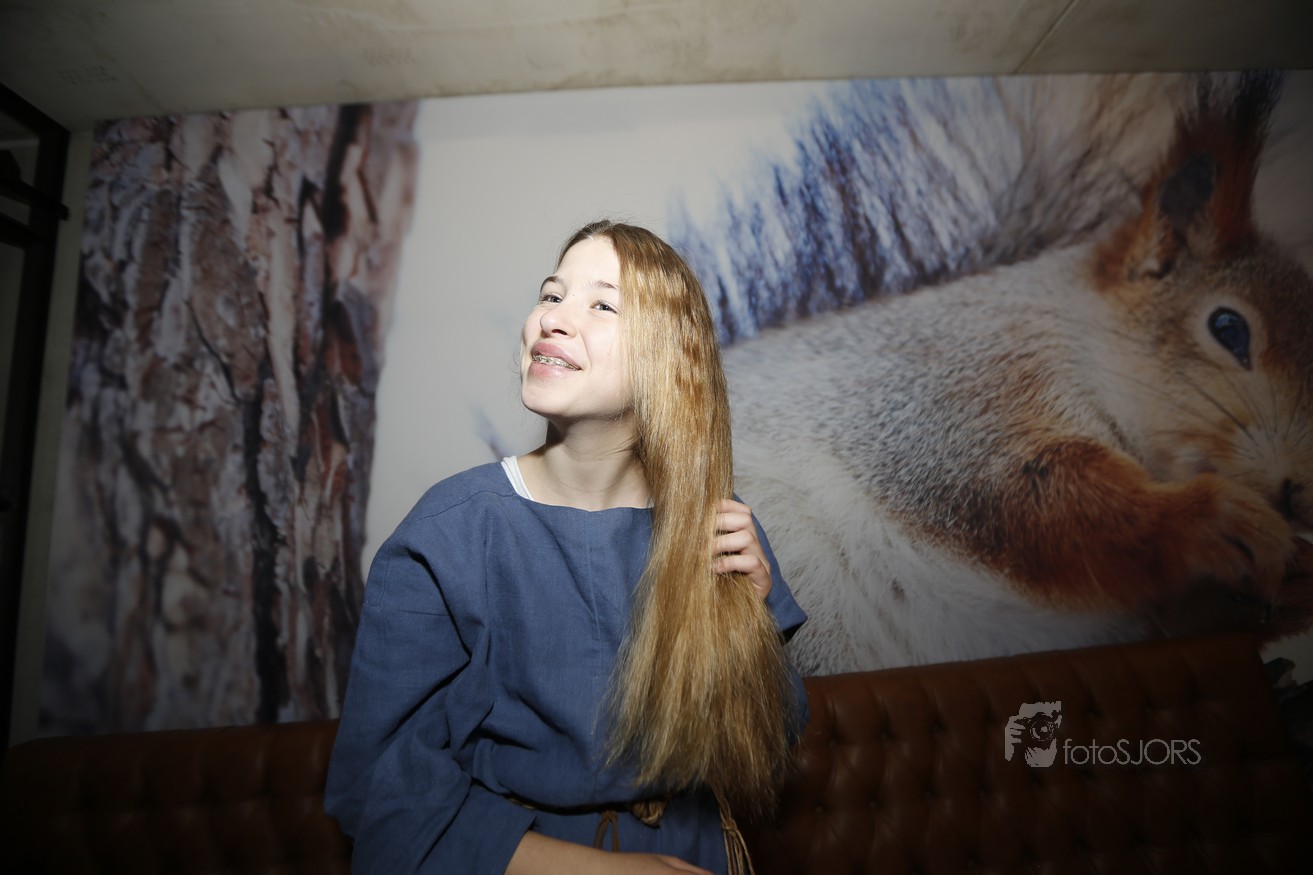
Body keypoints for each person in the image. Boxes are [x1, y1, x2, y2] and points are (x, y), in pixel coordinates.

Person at [325, 220, 808, 874]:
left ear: (670, 357)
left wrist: (754, 612)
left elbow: (767, 749)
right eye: (551, 295)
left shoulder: (717, 527)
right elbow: (379, 795)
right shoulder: (448, 532)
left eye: (602, 304)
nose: (551, 318)